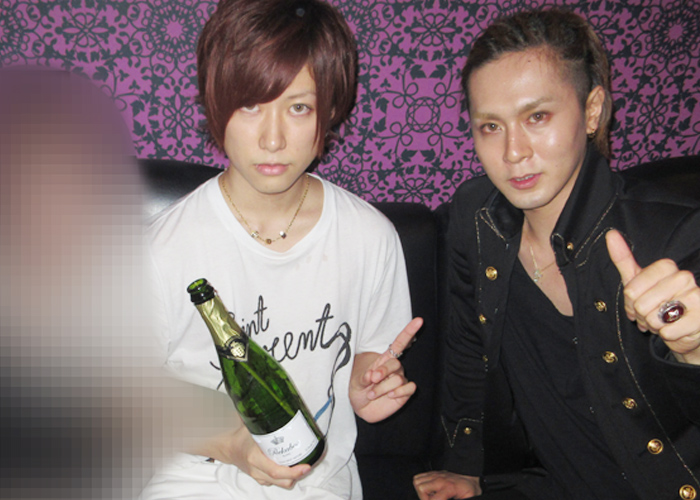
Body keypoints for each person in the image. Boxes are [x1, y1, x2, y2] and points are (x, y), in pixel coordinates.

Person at [413, 8, 700, 500]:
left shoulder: (673, 236)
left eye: (537, 117)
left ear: (592, 111)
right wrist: (466, 465)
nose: (514, 152)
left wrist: (692, 352)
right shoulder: (475, 218)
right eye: (490, 126)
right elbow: (468, 353)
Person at [142, 0, 422, 499]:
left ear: (328, 113)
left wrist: (367, 383)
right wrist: (232, 443)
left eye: (298, 108)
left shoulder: (369, 237)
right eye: (251, 105)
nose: (272, 139)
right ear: (217, 105)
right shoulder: (161, 247)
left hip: (317, 479)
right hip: (195, 476)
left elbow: (368, 355)